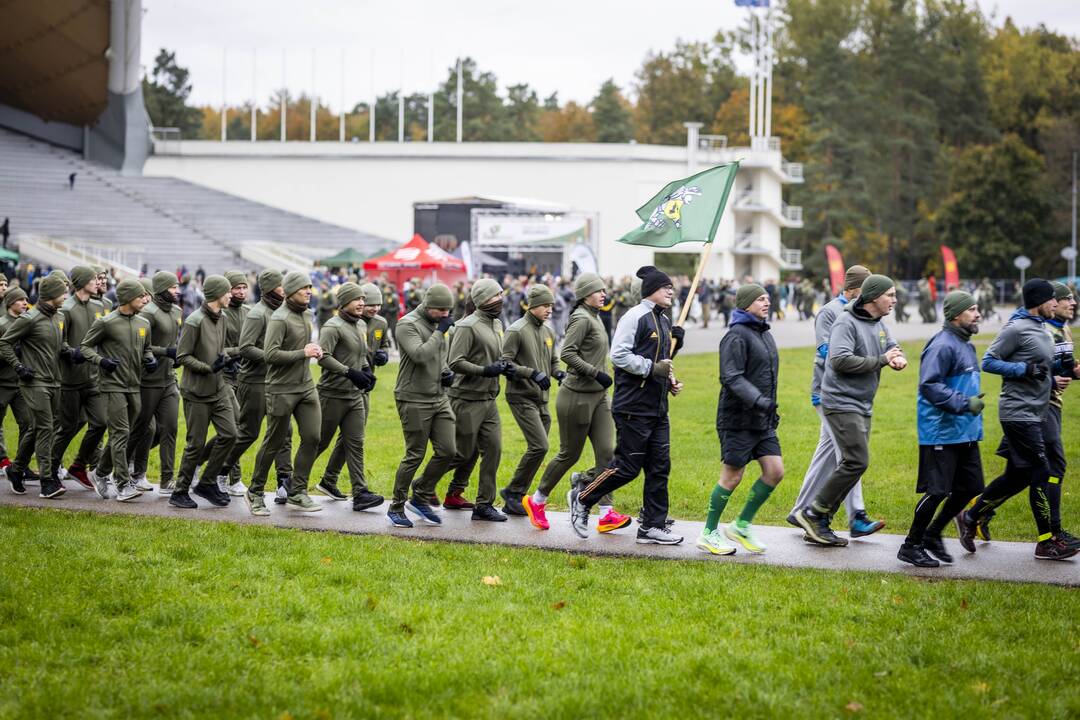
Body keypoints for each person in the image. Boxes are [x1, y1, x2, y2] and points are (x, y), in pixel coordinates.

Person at [957, 279, 1077, 560]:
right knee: (1042, 470)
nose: (1058, 304)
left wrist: (1056, 375)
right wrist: (1025, 369)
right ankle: (1048, 539)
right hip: (1020, 413)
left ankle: (972, 515)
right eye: (1052, 300)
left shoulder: (1041, 328)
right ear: (1041, 302)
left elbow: (1045, 368)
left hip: (1036, 411)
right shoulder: (1017, 328)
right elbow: (988, 361)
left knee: (1020, 474)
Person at [568, 266, 686, 544]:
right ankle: (583, 496)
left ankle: (652, 527)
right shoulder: (635, 317)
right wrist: (650, 369)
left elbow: (663, 360)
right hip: (633, 406)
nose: (671, 290)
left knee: (659, 467)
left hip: (657, 407)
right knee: (628, 467)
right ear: (650, 291)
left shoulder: (664, 320)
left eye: (671, 286)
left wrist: (670, 380)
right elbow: (618, 355)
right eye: (665, 286)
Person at [794, 275, 907, 546]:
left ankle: (819, 519)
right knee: (856, 460)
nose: (894, 300)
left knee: (850, 462)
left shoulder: (879, 324)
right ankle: (813, 513)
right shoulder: (845, 321)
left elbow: (891, 345)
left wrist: (897, 354)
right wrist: (881, 360)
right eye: (890, 295)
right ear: (873, 297)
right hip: (840, 401)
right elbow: (840, 359)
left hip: (862, 402)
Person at [524, 273, 629, 533]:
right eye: (597, 291)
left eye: (604, 290)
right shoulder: (581, 318)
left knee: (608, 454)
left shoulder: (595, 316)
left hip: (599, 397)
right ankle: (537, 501)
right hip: (576, 397)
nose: (603, 294)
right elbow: (567, 354)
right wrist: (595, 373)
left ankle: (606, 513)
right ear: (584, 295)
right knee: (569, 454)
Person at [897, 291, 985, 568]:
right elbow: (930, 385)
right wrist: (963, 404)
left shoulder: (965, 344)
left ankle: (933, 534)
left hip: (965, 431)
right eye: (971, 309)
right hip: (942, 430)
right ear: (956, 314)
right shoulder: (942, 345)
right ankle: (911, 545)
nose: (978, 314)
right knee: (937, 491)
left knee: (971, 486)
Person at [697, 284, 783, 555]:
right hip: (737, 419)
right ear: (745, 305)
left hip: (762, 420)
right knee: (732, 477)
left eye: (767, 298)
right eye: (760, 299)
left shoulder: (764, 334)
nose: (766, 303)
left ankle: (741, 525)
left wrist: (769, 409)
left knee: (774, 472)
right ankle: (708, 532)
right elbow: (731, 377)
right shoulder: (736, 335)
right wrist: (758, 401)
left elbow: (765, 375)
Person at [245, 271, 324, 515]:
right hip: (281, 389)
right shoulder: (279, 318)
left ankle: (297, 490)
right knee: (274, 442)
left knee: (312, 437)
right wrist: (303, 353)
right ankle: (255, 491)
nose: (309, 291)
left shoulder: (308, 314)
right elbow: (270, 355)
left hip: (306, 387)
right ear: (290, 291)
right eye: (304, 287)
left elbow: (303, 347)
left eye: (310, 287)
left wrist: (315, 351)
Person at [387, 283, 457, 528]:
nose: (446, 315)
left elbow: (438, 358)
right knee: (415, 454)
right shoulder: (407, 324)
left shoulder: (438, 324)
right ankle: (396, 505)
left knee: (449, 451)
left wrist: (447, 372)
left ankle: (421, 494)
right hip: (413, 397)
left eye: (449, 310)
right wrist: (440, 332)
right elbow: (419, 354)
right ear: (428, 306)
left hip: (439, 397)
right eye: (441, 310)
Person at [440, 279, 510, 522]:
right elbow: (455, 361)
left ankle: (483, 504)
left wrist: (503, 367)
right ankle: (419, 486)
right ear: (481, 300)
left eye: (501, 294)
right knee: (461, 453)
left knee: (494, 449)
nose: (500, 299)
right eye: (495, 296)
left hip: (489, 398)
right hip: (466, 398)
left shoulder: (497, 323)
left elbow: (496, 354)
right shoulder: (466, 326)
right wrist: (485, 370)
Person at [80, 280, 155, 502]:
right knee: (120, 433)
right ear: (128, 298)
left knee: (123, 434)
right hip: (112, 386)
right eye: (141, 296)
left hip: (134, 386)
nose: (145, 299)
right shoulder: (106, 322)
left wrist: (149, 359)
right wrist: (101, 361)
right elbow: (84, 347)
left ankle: (100, 473)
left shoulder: (144, 323)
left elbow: (147, 348)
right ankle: (122, 484)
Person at [225, 269, 294, 506]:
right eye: (281, 285)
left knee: (285, 432)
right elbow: (245, 348)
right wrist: (272, 356)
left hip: (278, 382)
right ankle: (218, 472)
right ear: (270, 288)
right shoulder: (258, 314)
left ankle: (285, 482)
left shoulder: (284, 312)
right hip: (254, 382)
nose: (285, 289)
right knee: (248, 433)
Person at [319, 282, 388, 510]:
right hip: (335, 390)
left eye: (378, 304)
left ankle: (356, 491)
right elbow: (324, 356)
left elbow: (382, 346)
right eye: (368, 303)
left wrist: (379, 359)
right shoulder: (336, 325)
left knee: (354, 439)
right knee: (319, 440)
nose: (373, 308)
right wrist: (351, 372)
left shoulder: (377, 324)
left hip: (361, 388)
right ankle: (290, 481)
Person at [170, 275, 236, 510]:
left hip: (218, 389)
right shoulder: (194, 321)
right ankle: (179, 492)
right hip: (196, 392)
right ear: (217, 293)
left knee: (230, 435)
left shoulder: (223, 317)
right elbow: (182, 356)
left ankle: (207, 482)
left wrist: (226, 361)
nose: (231, 295)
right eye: (228, 291)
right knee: (195, 444)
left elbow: (220, 350)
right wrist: (208, 368)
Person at [0, 273, 68, 497]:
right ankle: (47, 481)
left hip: (55, 381)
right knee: (46, 428)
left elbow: (61, 346)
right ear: (51, 295)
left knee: (37, 427)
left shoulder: (59, 318)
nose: (66, 294)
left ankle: (16, 469)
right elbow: (5, 343)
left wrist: (76, 353)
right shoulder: (29, 318)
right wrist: (19, 367)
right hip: (34, 382)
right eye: (62, 291)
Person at [498, 284, 563, 515]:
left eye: (551, 305)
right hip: (521, 396)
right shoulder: (517, 330)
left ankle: (514, 496)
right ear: (532, 305)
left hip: (542, 399)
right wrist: (531, 373)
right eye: (545, 305)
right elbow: (505, 364)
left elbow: (553, 361)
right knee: (540, 445)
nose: (549, 310)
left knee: (540, 449)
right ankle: (513, 492)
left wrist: (559, 373)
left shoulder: (548, 331)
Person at [52, 266, 108, 492]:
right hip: (70, 380)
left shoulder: (98, 306)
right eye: (94, 279)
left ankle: (78, 465)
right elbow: (58, 341)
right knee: (67, 428)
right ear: (82, 281)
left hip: (93, 379)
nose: (98, 282)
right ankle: (51, 470)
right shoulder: (66, 308)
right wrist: (70, 352)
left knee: (100, 423)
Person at [129, 271, 182, 496]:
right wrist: (165, 351)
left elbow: (176, 341)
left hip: (168, 379)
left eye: (177, 286)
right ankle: (122, 468)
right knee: (142, 428)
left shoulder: (178, 311)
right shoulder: (147, 313)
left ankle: (167, 479)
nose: (177, 291)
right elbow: (138, 345)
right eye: (172, 287)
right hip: (147, 380)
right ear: (161, 289)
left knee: (169, 427)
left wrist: (178, 355)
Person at [197, 270, 248, 496]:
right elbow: (214, 349)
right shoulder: (218, 315)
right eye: (235, 287)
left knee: (233, 430)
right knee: (234, 427)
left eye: (244, 287)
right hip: (222, 376)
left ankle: (199, 461)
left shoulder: (249, 312)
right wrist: (236, 354)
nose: (240, 291)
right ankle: (229, 478)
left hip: (243, 376)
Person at [1043, 283, 1079, 548]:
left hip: (1053, 405)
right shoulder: (1043, 331)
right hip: (1037, 407)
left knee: (1018, 474)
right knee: (1055, 466)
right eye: (1068, 299)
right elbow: (1028, 370)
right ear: (1052, 302)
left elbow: (1067, 365)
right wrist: (1051, 380)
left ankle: (975, 514)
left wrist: (1074, 371)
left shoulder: (1064, 329)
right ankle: (1052, 534)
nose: (1073, 303)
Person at [0, 288, 35, 480]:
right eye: (20, 299)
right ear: (11, 302)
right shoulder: (2, 324)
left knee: (28, 424)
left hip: (22, 383)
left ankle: (22, 465)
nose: (25, 302)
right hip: (2, 383)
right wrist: (13, 353)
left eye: (26, 299)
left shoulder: (27, 322)